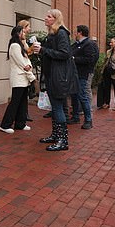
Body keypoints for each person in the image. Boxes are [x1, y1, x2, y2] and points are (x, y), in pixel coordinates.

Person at [33, 9, 78, 151]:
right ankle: (56, 135)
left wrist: (43, 50)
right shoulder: (53, 34)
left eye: (49, 16)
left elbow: (64, 54)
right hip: (53, 76)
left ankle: (62, 141)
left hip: (59, 78)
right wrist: (42, 50)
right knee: (55, 107)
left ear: (56, 19)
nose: (45, 18)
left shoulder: (61, 33)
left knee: (58, 107)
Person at [0, 26, 36, 133]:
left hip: (24, 78)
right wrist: (28, 68)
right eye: (23, 32)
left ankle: (20, 123)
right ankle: (5, 125)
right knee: (15, 102)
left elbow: (27, 60)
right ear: (18, 34)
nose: (24, 34)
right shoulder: (14, 46)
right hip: (18, 77)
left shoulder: (20, 45)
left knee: (23, 102)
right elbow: (21, 62)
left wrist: (28, 66)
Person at [69, 25, 99, 129]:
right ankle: (75, 116)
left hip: (82, 74)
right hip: (74, 73)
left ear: (80, 33)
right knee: (74, 95)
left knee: (82, 95)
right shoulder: (76, 44)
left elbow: (89, 59)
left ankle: (88, 120)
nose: (74, 34)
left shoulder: (89, 44)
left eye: (75, 32)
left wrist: (73, 58)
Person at [96, 37, 115, 111]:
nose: (110, 44)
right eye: (110, 42)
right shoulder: (108, 51)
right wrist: (102, 71)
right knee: (106, 88)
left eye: (112, 42)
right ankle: (107, 103)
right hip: (107, 72)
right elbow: (105, 62)